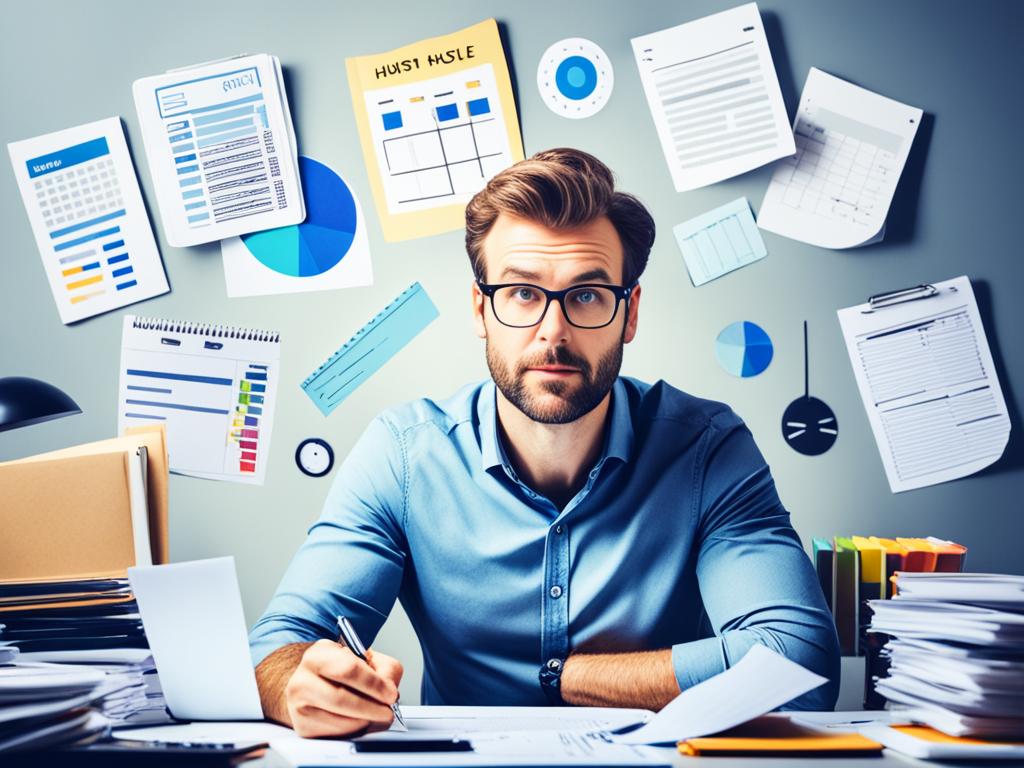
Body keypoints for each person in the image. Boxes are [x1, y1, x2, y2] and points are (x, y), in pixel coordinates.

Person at [249, 148, 840, 737]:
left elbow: (798, 665)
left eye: (586, 295)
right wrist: (301, 685)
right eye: (523, 294)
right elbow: (273, 649)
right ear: (482, 308)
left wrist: (567, 677)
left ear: (628, 313)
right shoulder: (403, 456)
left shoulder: (709, 450)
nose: (553, 332)